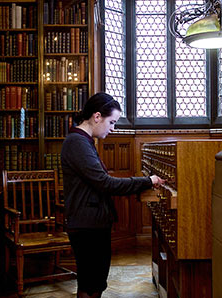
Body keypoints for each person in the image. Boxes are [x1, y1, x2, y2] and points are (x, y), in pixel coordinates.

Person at [61, 92, 164, 298]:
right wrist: (147, 181)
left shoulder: (83, 141)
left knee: (94, 282)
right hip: (86, 225)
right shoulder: (77, 142)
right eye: (112, 122)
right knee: (90, 284)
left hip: (91, 223)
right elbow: (105, 183)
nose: (113, 128)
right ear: (97, 116)